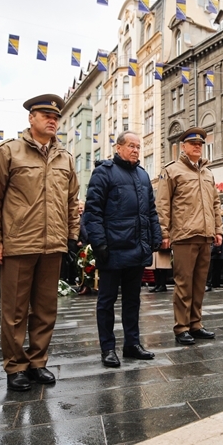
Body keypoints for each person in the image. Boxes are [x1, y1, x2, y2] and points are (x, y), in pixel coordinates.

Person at [0, 94, 80, 391]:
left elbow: (72, 201)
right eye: (45, 115)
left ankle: (38, 362)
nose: (52, 120)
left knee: (45, 308)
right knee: (14, 310)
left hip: (53, 245)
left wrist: (72, 238)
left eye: (56, 117)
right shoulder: (9, 151)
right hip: (18, 243)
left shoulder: (66, 157)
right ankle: (15, 366)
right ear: (31, 119)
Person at [82, 131, 161, 368]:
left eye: (138, 146)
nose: (136, 150)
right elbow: (92, 212)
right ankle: (108, 348)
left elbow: (151, 211)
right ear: (118, 148)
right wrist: (99, 243)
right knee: (106, 301)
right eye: (131, 146)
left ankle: (132, 344)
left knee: (132, 300)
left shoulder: (143, 176)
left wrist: (156, 235)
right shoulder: (103, 172)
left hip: (136, 249)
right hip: (112, 249)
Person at [155, 128, 222, 346]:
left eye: (200, 144)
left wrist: (218, 230)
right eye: (193, 143)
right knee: (184, 283)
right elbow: (163, 204)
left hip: (206, 236)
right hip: (184, 235)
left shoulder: (208, 173)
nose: (197, 147)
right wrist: (164, 232)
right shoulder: (172, 171)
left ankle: (196, 323)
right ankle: (181, 327)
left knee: (199, 284)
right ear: (183, 146)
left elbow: (215, 204)